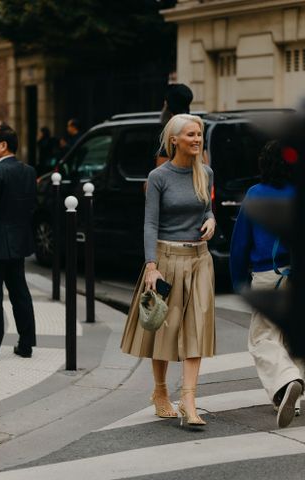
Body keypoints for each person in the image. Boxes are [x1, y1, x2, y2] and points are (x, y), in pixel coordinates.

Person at [121, 114, 216, 426]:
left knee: (197, 329)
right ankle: (161, 391)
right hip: (166, 258)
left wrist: (211, 219)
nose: (197, 139)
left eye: (199, 134)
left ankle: (189, 398)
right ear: (174, 140)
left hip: (200, 259)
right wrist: (151, 266)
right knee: (165, 328)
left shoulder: (206, 173)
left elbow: (206, 208)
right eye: (190, 134)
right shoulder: (158, 177)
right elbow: (150, 224)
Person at [230, 140, 304, 429]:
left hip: (267, 274)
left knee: (263, 338)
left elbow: (240, 244)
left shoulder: (255, 194)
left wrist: (238, 281)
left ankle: (286, 382)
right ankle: (291, 396)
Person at [0, 125, 37, 360]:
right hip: (18, 243)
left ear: (3, 145)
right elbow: (31, 209)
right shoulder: (28, 172)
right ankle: (26, 345)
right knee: (20, 293)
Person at [157, 83, 209, 167]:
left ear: (167, 104)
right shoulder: (196, 126)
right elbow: (204, 163)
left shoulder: (169, 131)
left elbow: (160, 173)